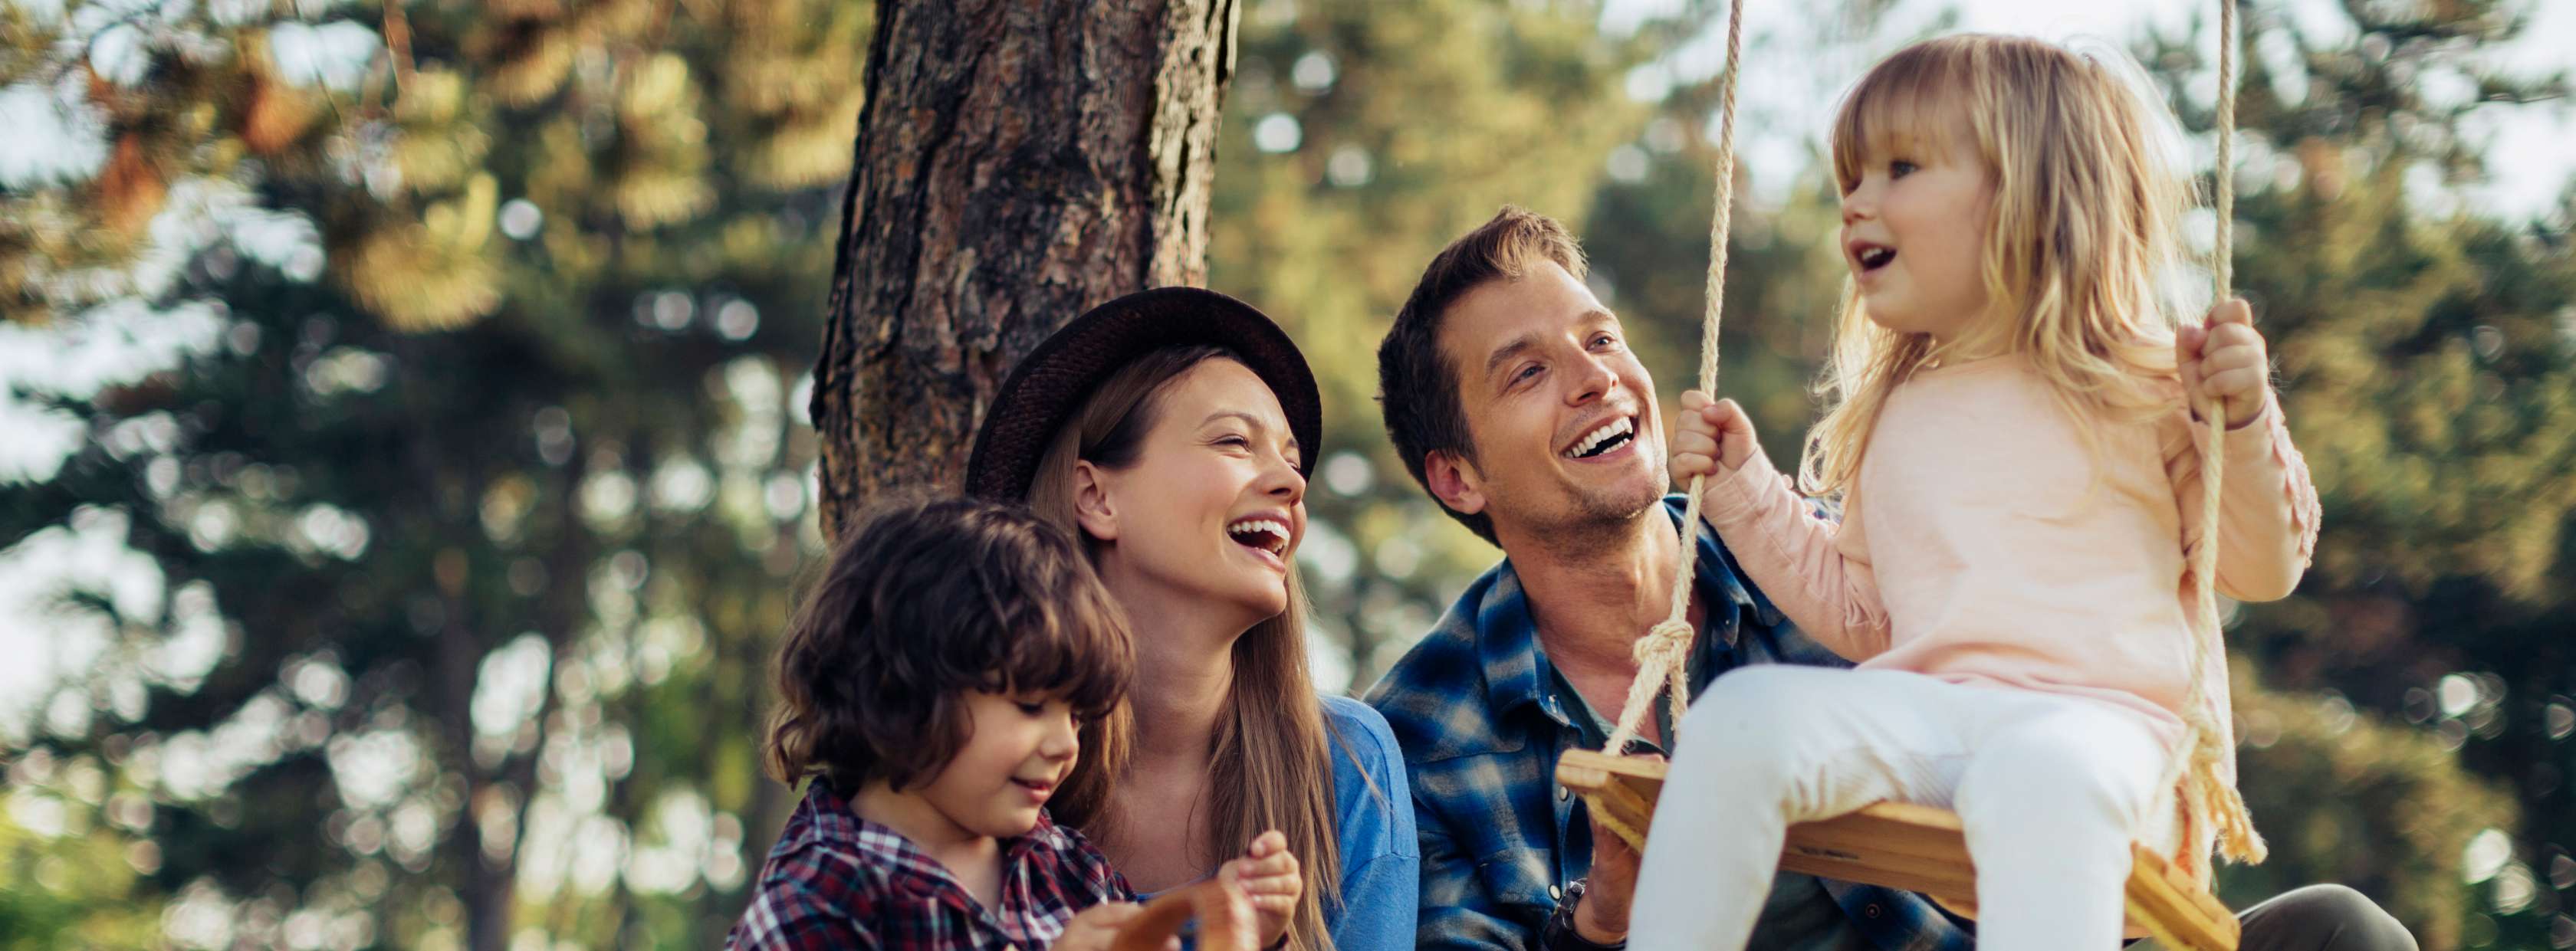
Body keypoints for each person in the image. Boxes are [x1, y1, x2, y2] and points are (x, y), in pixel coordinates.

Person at [1368, 202, 2415, 950]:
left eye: (1601, 339)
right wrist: (1599, 923)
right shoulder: (1423, 729)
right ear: (1458, 477)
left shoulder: (1822, 553)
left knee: (2339, 931)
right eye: (1530, 371)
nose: (1597, 376)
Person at [1632, 33, 2322, 950]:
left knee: (2036, 771)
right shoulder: (1901, 409)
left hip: (2114, 738)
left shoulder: (2161, 384)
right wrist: (1745, 490)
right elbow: (1867, 615)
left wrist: (2236, 420)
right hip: (1935, 715)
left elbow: (2262, 566)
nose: (1856, 201)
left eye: (1900, 168)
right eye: (1853, 176)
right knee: (1740, 719)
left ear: (2033, 196)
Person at [965, 287, 1421, 951]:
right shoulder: (967, 748)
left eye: (1292, 463)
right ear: (1095, 496)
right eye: (1236, 441)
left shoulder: (1349, 766)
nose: (1292, 485)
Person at [726, 495, 1289, 950]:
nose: (1066, 743)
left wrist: (1227, 928)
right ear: (902, 685)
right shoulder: (819, 902)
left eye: (1076, 714)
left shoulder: (1066, 868)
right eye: (1030, 706)